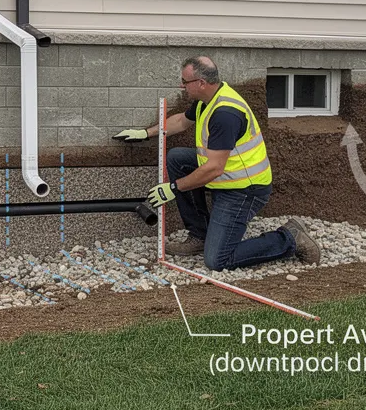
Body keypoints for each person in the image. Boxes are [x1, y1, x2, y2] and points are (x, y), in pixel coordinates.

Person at [112, 56, 321, 271]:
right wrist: (146, 133)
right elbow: (182, 121)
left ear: (201, 83)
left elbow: (214, 168)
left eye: (185, 82)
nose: (181, 86)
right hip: (227, 178)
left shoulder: (225, 114)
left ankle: (289, 239)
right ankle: (200, 235)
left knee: (218, 260)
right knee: (178, 158)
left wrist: (174, 188)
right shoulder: (209, 100)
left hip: (244, 190)